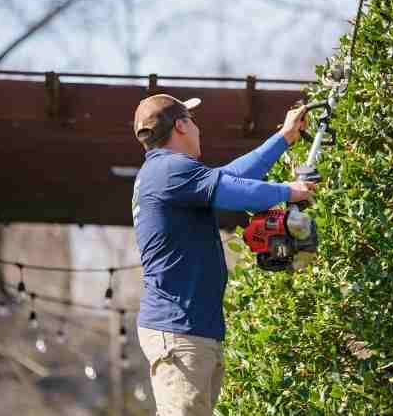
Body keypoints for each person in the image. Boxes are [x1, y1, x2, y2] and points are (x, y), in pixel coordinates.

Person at [131, 93, 314, 416]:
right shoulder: (171, 170)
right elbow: (233, 191)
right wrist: (289, 190)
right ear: (181, 126)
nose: (199, 128)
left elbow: (231, 178)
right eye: (194, 121)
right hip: (178, 330)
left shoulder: (170, 172)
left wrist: (284, 137)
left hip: (190, 329)